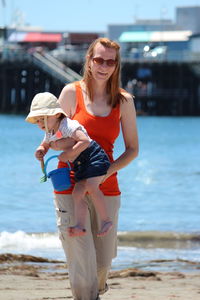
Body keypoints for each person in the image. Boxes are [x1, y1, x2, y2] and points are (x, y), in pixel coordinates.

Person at [53, 37, 139, 300]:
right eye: (98, 59)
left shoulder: (123, 101)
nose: (104, 66)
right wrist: (75, 148)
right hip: (69, 186)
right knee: (82, 263)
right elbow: (54, 140)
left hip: (107, 189)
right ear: (89, 60)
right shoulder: (70, 93)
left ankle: (96, 292)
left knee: (101, 265)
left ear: (116, 65)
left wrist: (104, 173)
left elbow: (133, 149)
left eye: (110, 61)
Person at [25, 92, 113, 237]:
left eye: (42, 119)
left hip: (93, 157)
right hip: (79, 165)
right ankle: (80, 225)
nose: (40, 124)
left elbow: (84, 141)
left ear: (56, 115)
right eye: (37, 121)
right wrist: (41, 150)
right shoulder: (50, 130)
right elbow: (46, 143)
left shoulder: (67, 125)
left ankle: (106, 220)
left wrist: (69, 153)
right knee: (77, 193)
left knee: (91, 186)